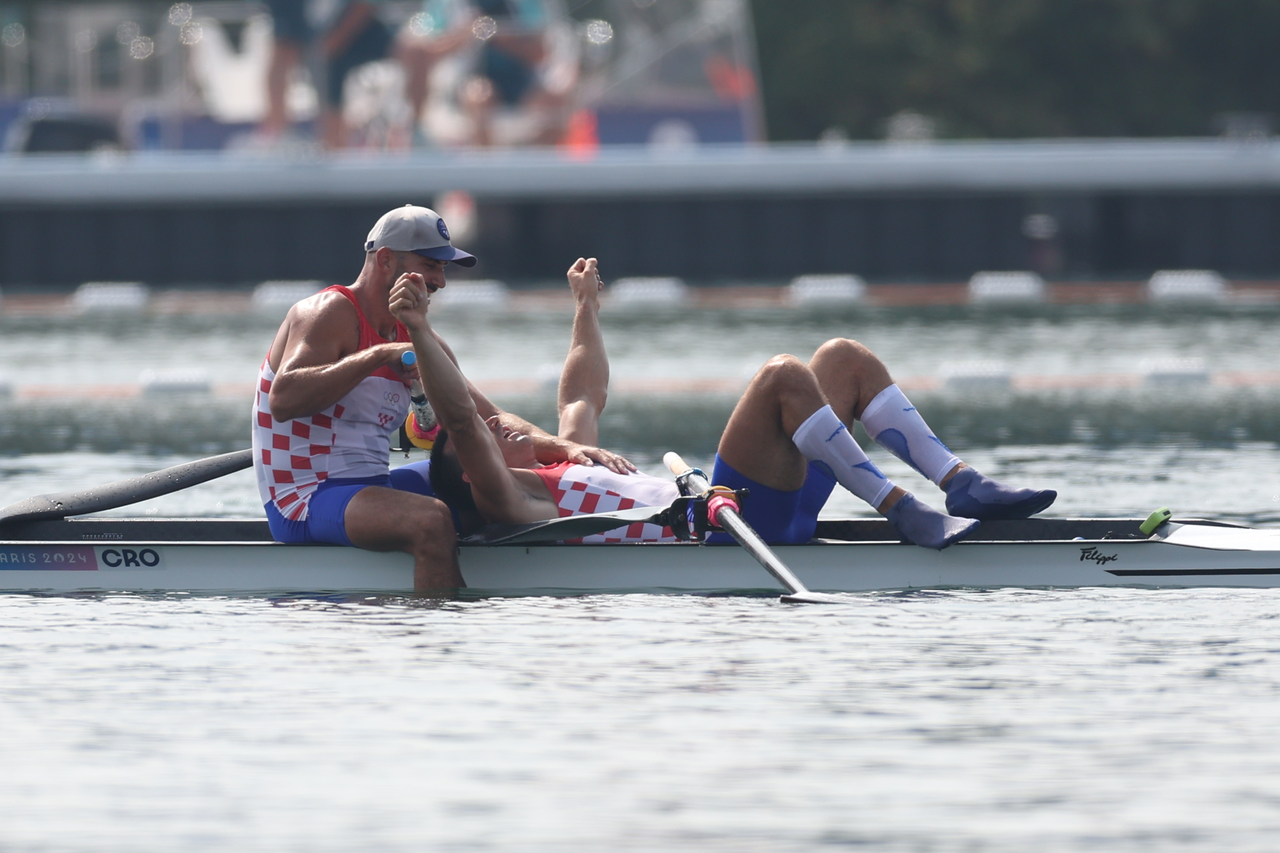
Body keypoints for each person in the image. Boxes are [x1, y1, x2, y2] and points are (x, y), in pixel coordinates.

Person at [391, 257, 1057, 549]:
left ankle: (961, 484)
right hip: (724, 527)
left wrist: (586, 309)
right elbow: (460, 422)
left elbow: (581, 390)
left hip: (755, 506)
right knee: (782, 376)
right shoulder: (519, 503)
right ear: (479, 468)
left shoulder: (571, 460)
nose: (503, 426)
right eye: (493, 436)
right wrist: (419, 332)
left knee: (843, 359)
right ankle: (902, 510)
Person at [250, 205, 633, 592]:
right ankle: (441, 643)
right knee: (430, 521)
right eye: (430, 266)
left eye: (443, 269)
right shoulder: (327, 311)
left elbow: (489, 419)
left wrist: (564, 448)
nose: (440, 281)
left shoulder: (419, 337)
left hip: (372, 486)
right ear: (385, 260)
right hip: (305, 498)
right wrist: (380, 355)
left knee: (501, 483)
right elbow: (284, 398)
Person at [260, 0, 398, 149]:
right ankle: (278, 135)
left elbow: (365, 7)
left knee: (326, 58)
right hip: (323, 39)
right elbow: (283, 48)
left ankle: (334, 148)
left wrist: (332, 42)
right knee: (285, 48)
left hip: (351, 36)